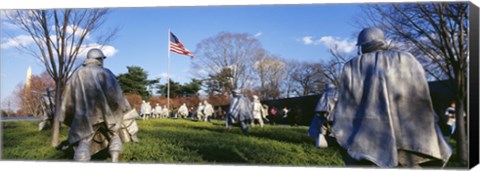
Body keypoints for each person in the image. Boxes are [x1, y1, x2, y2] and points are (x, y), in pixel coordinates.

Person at [331, 27, 452, 167]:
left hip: (368, 138)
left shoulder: (353, 65)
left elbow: (347, 105)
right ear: (383, 42)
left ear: (362, 45)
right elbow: (421, 95)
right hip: (409, 135)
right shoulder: (407, 59)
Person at [60, 48, 129, 162]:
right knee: (114, 134)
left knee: (84, 140)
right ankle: (114, 160)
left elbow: (69, 97)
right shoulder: (105, 72)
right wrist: (123, 106)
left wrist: (69, 114)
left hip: (84, 115)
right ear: (99, 59)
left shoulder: (77, 74)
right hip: (106, 114)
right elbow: (115, 93)